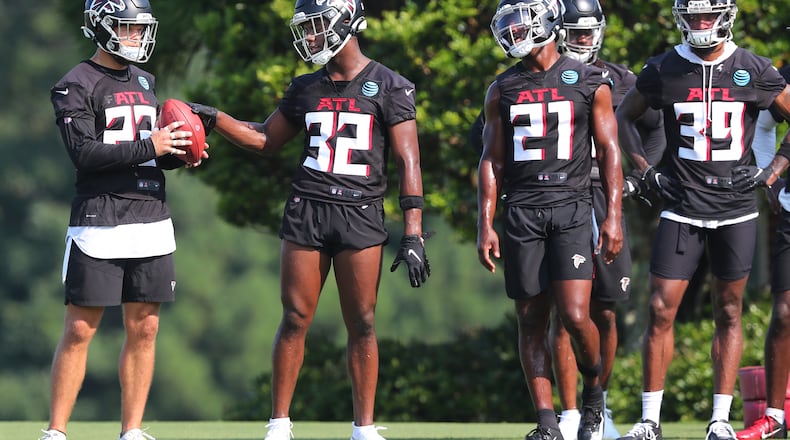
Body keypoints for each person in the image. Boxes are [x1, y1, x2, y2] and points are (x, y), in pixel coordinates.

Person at [187, 1, 429, 439]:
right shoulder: (306, 87)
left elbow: (408, 160)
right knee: (296, 316)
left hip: (360, 211)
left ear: (345, 22)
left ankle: (365, 428)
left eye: (318, 26)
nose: (311, 36)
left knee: (363, 322)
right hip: (308, 208)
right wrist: (216, 118)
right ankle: (279, 424)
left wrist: (413, 232)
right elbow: (265, 138)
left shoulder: (390, 85)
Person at [614, 1, 790, 439]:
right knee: (658, 308)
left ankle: (719, 420)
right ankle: (649, 419)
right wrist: (645, 170)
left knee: (728, 310)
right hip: (682, 205)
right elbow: (623, 117)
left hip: (736, 209)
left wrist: (771, 172)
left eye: (707, 17)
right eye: (692, 17)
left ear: (726, 17)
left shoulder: (754, 68)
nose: (700, 25)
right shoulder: (663, 69)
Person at [40, 1, 208, 440]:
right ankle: (56, 431)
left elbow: (147, 154)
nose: (136, 37)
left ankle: (131, 430)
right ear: (101, 27)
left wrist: (177, 151)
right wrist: (152, 146)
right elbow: (86, 154)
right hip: (101, 215)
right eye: (127, 28)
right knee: (80, 327)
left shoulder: (145, 81)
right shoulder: (73, 84)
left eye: (139, 29)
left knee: (146, 326)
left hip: (151, 215)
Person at [476, 0, 624, 439]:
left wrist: (614, 215)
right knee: (530, 316)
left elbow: (610, 151)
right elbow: (492, 160)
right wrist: (485, 222)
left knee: (577, 316)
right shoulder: (502, 89)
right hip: (521, 209)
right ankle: (546, 423)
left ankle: (594, 393)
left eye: (517, 22)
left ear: (544, 20)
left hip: (572, 206)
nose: (512, 32)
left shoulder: (590, 81)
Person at [548, 1, 667, 440]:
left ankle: (597, 406)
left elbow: (655, 128)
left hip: (604, 195)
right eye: (573, 32)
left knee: (606, 311)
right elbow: (487, 134)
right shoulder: (540, 73)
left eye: (587, 32)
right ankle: (568, 414)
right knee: (562, 312)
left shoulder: (622, 80)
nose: (581, 40)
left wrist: (641, 175)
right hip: (558, 196)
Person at [735, 64, 790, 440]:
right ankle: (775, 416)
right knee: (785, 313)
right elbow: (765, 125)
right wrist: (771, 175)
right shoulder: (783, 78)